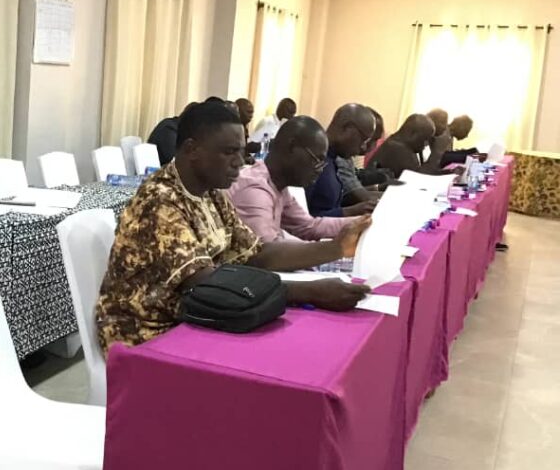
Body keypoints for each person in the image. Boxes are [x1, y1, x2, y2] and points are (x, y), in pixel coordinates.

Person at [95, 100, 370, 351]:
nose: (239, 162)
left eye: (241, 151)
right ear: (192, 150)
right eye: (229, 152)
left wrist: (336, 248)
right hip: (147, 335)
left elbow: (257, 253)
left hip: (194, 319)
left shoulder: (211, 194)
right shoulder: (161, 200)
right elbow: (204, 284)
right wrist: (308, 292)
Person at [229, 116, 357, 243]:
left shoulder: (278, 187)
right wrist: (335, 248)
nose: (319, 170)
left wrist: (361, 223)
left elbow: (309, 226)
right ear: (291, 147)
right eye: (316, 159)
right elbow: (266, 250)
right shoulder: (255, 191)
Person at [305, 104, 379, 218]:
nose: (363, 147)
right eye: (363, 139)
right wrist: (352, 211)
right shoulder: (312, 159)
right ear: (347, 128)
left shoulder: (332, 159)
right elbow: (300, 220)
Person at [369, 113, 450, 178]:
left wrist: (448, 172)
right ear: (412, 134)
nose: (424, 145)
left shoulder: (399, 144)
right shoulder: (397, 148)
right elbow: (418, 179)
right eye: (424, 139)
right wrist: (437, 152)